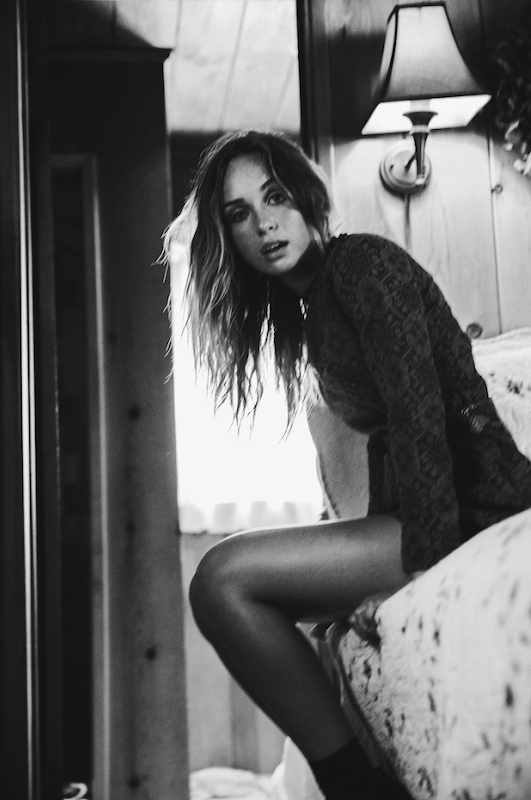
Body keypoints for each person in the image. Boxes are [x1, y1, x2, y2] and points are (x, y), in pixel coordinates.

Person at [164, 129, 531, 800]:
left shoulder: (361, 264)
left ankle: (353, 791)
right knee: (244, 595)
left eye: (274, 196)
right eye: (240, 213)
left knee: (222, 578)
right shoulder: (312, 305)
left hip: (478, 503)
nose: (264, 223)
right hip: (434, 508)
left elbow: (419, 416)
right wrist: (368, 575)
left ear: (305, 197)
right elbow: (390, 441)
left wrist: (416, 571)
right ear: (228, 238)